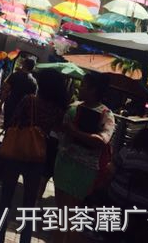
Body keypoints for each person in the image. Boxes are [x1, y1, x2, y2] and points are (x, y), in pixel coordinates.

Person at [0, 70, 70, 243]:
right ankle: (25, 240)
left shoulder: (29, 100)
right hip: (37, 157)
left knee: (5, 200)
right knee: (29, 206)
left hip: (16, 153)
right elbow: (59, 130)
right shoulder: (58, 109)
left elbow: (13, 121)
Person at [53, 72, 115, 241]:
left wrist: (75, 132)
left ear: (94, 89)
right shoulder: (74, 106)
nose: (81, 87)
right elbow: (61, 130)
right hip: (63, 163)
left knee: (72, 216)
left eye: (85, 85)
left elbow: (103, 140)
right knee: (62, 214)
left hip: (84, 171)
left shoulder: (106, 114)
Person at [0, 57, 37, 128]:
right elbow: (33, 99)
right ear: (33, 68)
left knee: (8, 128)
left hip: (10, 106)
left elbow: (6, 91)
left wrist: (0, 105)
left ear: (24, 64)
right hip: (23, 111)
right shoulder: (34, 82)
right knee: (16, 130)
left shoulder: (15, 75)